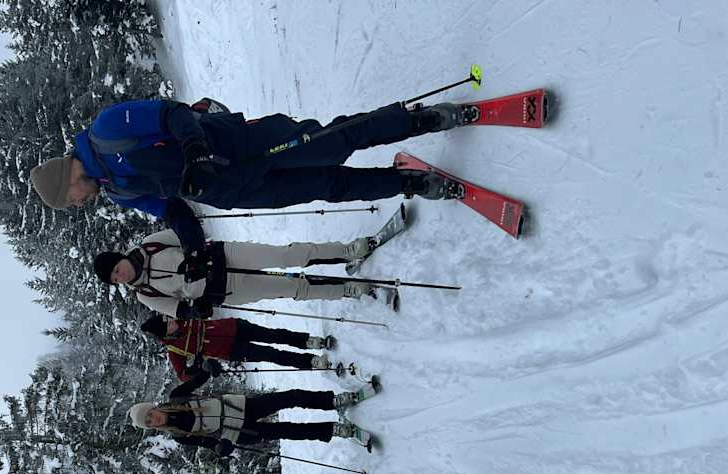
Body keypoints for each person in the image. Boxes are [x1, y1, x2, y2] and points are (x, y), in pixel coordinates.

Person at [28, 97, 469, 255]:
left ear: (66, 178)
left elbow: (174, 113)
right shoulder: (117, 192)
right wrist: (194, 251)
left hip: (239, 144)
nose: (79, 204)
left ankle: (414, 121)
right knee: (327, 185)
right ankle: (407, 182)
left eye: (71, 199)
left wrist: (197, 153)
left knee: (333, 142)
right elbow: (172, 210)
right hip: (237, 189)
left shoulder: (106, 130)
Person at [92, 229, 396, 320]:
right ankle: (349, 289)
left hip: (226, 255)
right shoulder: (146, 294)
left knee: (286, 255)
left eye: (116, 270)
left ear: (119, 258)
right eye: (115, 280)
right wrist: (196, 309)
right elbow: (179, 310)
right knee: (290, 289)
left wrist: (194, 255)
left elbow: (187, 233)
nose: (120, 277)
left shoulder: (150, 244)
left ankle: (348, 251)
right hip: (227, 288)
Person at [126, 367, 377, 454]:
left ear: (152, 407)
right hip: (239, 431)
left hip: (239, 406)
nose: (153, 419)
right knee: (288, 431)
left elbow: (200, 378)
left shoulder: (176, 397)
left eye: (149, 414)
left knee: (290, 397)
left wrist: (207, 367)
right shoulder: (180, 436)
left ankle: (338, 401)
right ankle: (338, 430)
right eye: (149, 422)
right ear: (152, 427)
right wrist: (221, 449)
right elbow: (210, 445)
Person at [139, 313, 336, 376]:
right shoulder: (174, 350)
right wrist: (198, 367)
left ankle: (308, 341)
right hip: (232, 350)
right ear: (164, 332)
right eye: (168, 324)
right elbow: (183, 376)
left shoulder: (182, 318)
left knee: (273, 334)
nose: (172, 321)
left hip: (233, 327)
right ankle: (311, 362)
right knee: (271, 354)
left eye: (169, 319)